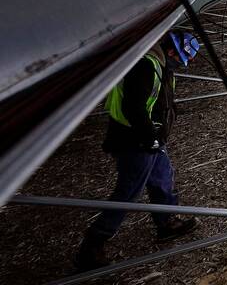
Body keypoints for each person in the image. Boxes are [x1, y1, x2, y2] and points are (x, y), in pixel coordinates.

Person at [74, 30, 202, 271]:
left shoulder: (161, 63)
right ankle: (93, 244)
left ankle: (166, 223)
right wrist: (149, 138)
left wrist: (168, 117)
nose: (181, 64)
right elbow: (134, 107)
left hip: (150, 137)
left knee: (163, 179)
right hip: (133, 140)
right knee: (128, 192)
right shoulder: (145, 65)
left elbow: (160, 98)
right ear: (173, 51)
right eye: (182, 58)